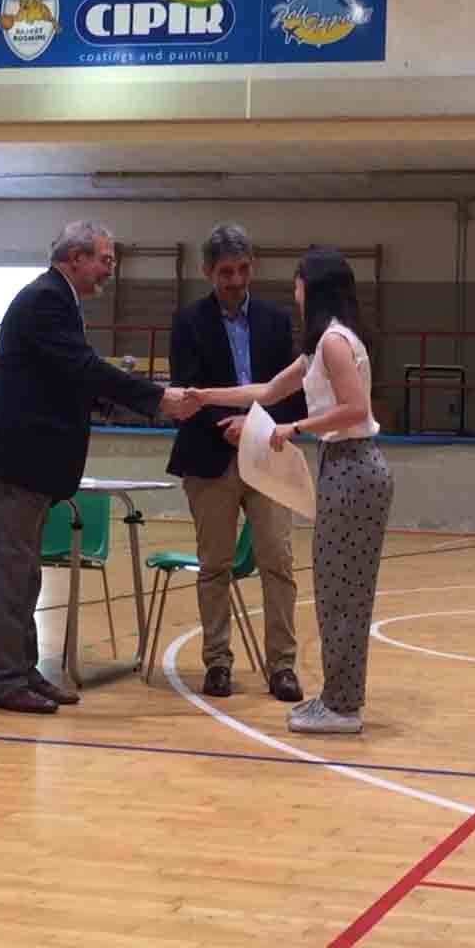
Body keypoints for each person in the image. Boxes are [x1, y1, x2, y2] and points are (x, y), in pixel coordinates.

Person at [0, 221, 195, 714]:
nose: (109, 271)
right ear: (76, 257)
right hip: (14, 460)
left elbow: (68, 380)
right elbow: (83, 369)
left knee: (24, 574)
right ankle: (4, 680)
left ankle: (23, 670)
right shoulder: (47, 300)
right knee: (9, 574)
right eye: (105, 260)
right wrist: (156, 399)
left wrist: (126, 403)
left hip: (27, 463)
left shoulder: (56, 299)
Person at [188, 248, 391, 734]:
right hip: (342, 466)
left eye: (298, 283)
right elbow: (265, 391)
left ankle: (343, 706)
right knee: (334, 591)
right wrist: (204, 396)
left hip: (354, 466)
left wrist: (293, 428)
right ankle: (338, 697)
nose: (294, 291)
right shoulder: (320, 346)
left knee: (343, 594)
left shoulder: (335, 342)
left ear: (312, 287)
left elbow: (356, 408)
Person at [166, 224, 306, 702]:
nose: (236, 280)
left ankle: (282, 666)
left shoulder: (275, 319)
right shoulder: (188, 322)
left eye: (244, 269)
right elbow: (187, 391)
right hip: (209, 459)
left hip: (267, 455)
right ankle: (218, 662)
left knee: (277, 560)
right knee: (215, 565)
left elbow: (291, 393)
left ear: (253, 266)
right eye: (226, 272)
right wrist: (228, 424)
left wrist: (255, 423)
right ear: (208, 271)